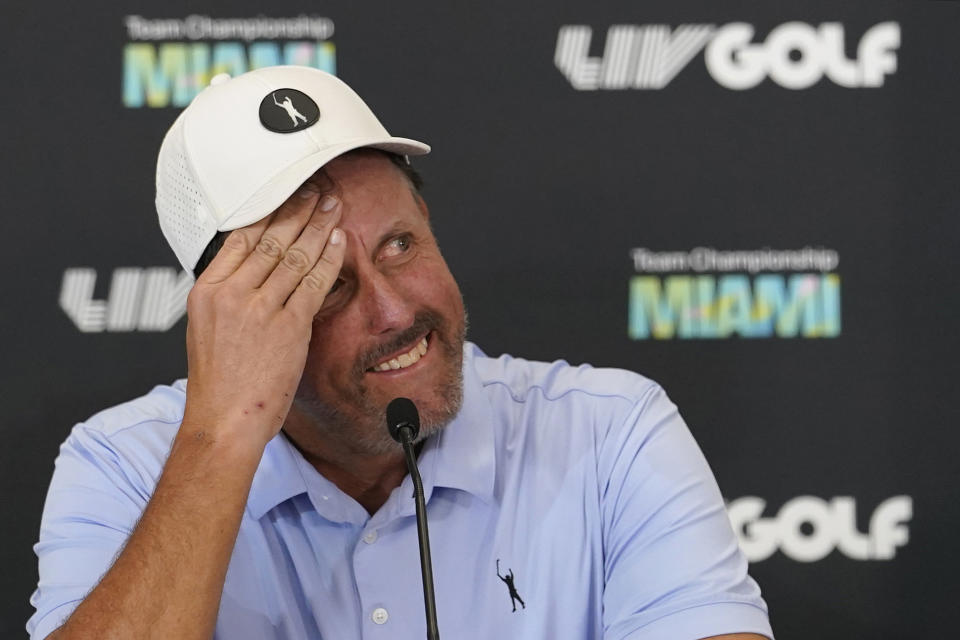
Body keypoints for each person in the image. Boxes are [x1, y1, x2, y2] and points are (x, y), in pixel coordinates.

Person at [28, 66, 774, 640]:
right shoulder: (123, 465)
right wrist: (219, 436)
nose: (394, 311)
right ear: (236, 317)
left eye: (400, 244)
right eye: (325, 285)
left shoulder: (610, 433)